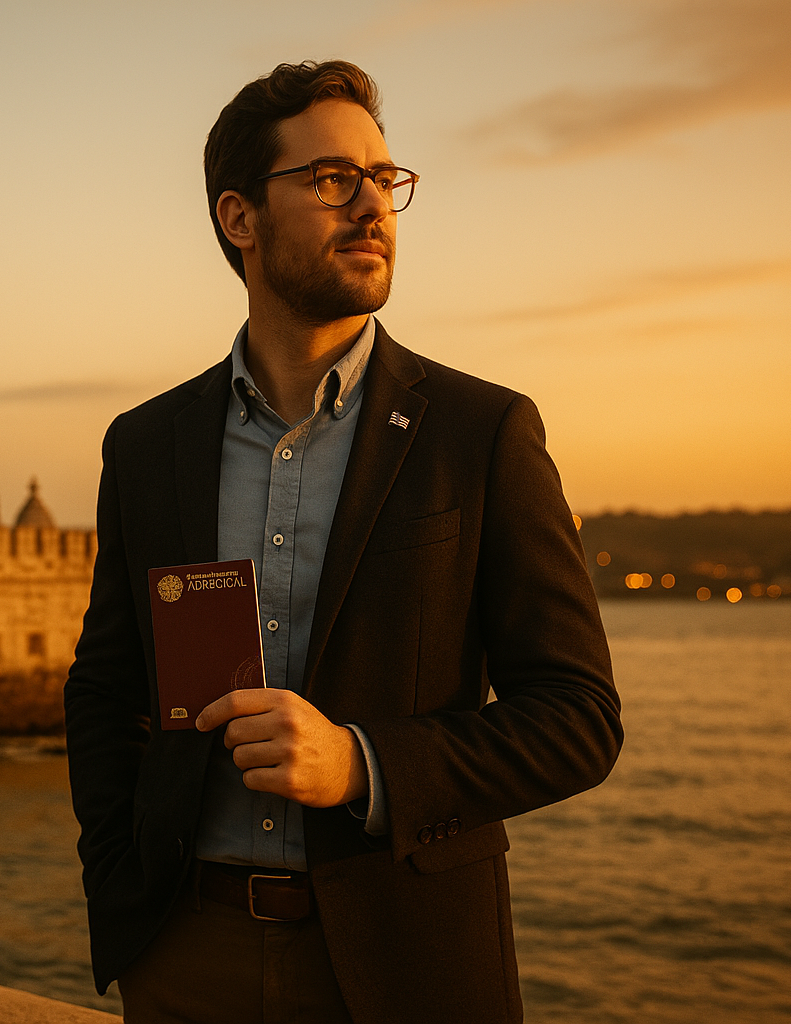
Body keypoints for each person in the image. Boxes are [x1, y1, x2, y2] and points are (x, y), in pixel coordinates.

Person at [63, 60, 622, 1024]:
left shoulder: (480, 433)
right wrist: (122, 885)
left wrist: (361, 764)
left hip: (405, 966)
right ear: (240, 218)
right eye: (331, 179)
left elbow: (579, 717)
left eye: (385, 178)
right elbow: (107, 692)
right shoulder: (147, 445)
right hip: (184, 956)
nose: (373, 206)